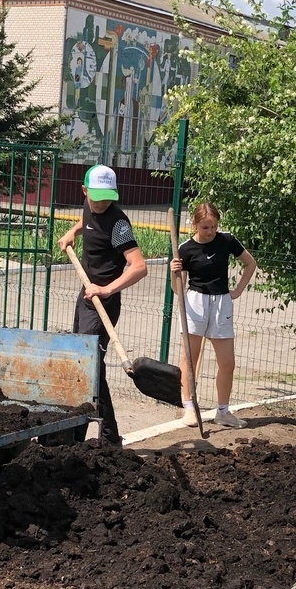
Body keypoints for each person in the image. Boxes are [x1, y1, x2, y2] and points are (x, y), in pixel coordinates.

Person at [56, 165, 148, 445]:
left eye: (108, 197)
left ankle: (109, 437)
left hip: (103, 301)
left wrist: (106, 289)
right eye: (97, 197)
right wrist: (73, 232)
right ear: (84, 192)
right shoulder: (88, 206)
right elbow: (87, 221)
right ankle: (76, 434)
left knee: (91, 366)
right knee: (80, 362)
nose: (103, 203)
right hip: (86, 296)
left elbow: (139, 267)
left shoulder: (118, 223)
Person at [170, 202, 257, 428]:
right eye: (205, 227)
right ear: (195, 224)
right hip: (195, 302)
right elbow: (177, 289)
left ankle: (223, 411)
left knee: (227, 362)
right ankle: (188, 408)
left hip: (221, 302)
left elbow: (250, 264)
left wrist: (237, 290)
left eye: (214, 227)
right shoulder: (186, 248)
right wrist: (174, 273)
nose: (210, 232)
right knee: (190, 358)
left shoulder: (226, 240)